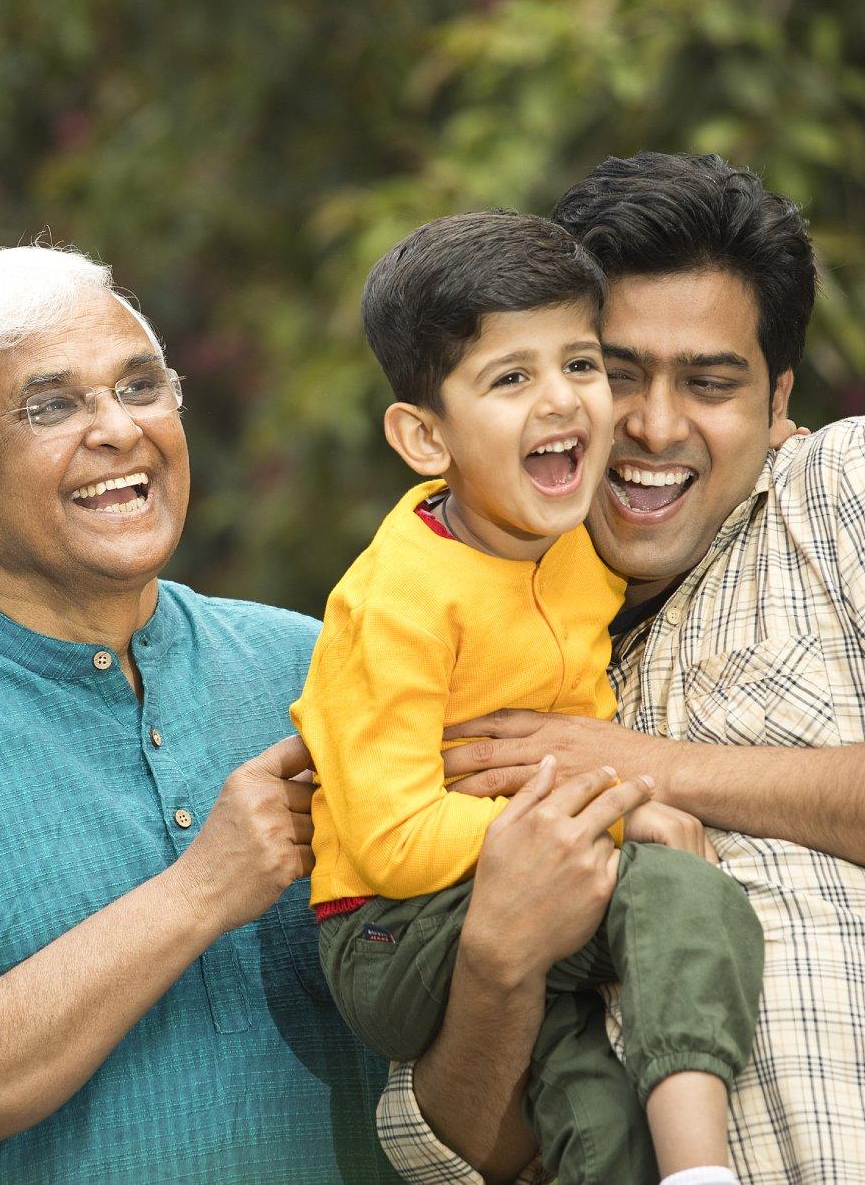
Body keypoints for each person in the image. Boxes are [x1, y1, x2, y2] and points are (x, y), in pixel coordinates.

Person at [381, 153, 865, 1183]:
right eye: (613, 371)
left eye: (709, 383)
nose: (653, 424)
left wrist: (646, 767)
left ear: (775, 403)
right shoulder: (480, 655)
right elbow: (448, 1151)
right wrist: (500, 962)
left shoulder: (853, 481)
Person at [0, 245, 403, 1182]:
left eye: (141, 385)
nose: (118, 428)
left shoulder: (308, 661)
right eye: (51, 405)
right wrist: (199, 891)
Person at [295, 212, 765, 1185]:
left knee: (592, 1101)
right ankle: (703, 1174)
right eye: (510, 379)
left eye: (581, 365)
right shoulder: (395, 602)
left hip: (487, 891)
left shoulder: (572, 548)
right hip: (388, 926)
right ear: (424, 434)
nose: (561, 401)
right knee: (680, 886)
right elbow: (387, 839)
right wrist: (596, 819)